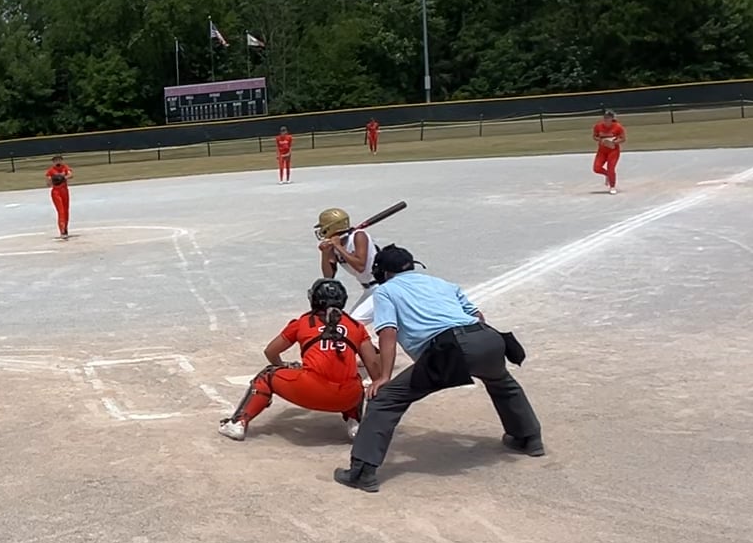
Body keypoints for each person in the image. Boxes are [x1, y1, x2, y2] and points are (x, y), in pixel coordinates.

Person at [336, 246, 543, 492]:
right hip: (489, 338)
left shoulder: (385, 291)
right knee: (502, 383)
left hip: (450, 348)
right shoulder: (441, 283)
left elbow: (388, 332)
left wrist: (384, 377)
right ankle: (528, 438)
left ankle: (362, 472)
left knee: (386, 399)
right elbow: (477, 315)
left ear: (384, 272)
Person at [219, 279, 380, 442]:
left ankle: (238, 423)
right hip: (346, 398)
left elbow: (271, 352)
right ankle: (355, 423)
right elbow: (373, 365)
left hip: (310, 391)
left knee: (267, 375)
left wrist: (285, 367)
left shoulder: (303, 322)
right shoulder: (356, 326)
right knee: (355, 381)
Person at [314, 207, 378, 297]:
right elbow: (328, 276)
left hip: (381, 285)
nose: (322, 232)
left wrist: (339, 247)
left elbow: (360, 266)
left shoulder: (359, 236)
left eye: (323, 229)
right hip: (368, 289)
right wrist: (325, 253)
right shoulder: (333, 246)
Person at [591, 109, 625, 194]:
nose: (606, 119)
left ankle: (612, 186)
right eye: (605, 117)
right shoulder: (598, 126)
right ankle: (607, 174)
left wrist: (613, 142)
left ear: (612, 118)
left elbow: (623, 139)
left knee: (611, 168)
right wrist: (600, 140)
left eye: (608, 118)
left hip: (613, 151)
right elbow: (595, 136)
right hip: (602, 151)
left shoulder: (618, 127)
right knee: (596, 168)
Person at [45, 155, 72, 239]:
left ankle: (65, 228)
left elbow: (70, 175)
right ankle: (62, 230)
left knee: (66, 211)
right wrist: (53, 180)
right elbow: (48, 183)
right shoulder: (51, 170)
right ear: (53, 162)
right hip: (56, 192)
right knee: (61, 211)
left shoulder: (65, 167)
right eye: (56, 161)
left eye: (59, 160)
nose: (58, 162)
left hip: (64, 191)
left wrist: (63, 178)